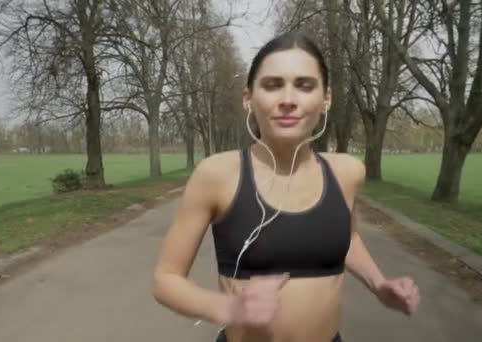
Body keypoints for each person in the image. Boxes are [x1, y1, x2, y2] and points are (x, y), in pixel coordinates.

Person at [152, 31, 420, 342]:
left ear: (326, 98)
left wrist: (378, 284)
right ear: (248, 99)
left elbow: (345, 235)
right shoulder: (217, 175)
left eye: (305, 86)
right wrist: (228, 307)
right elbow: (165, 280)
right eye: (272, 85)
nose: (288, 100)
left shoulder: (347, 172)